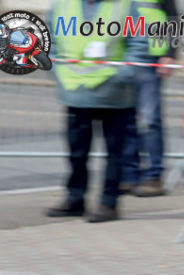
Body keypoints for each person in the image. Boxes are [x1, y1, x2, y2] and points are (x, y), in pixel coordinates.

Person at [45, 0, 148, 222]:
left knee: (115, 153)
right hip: (75, 92)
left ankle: (108, 203)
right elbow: (49, 42)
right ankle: (75, 199)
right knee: (77, 153)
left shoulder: (124, 6)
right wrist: (58, 74)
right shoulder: (63, 5)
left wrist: (123, 76)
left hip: (115, 95)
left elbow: (139, 44)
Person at [122, 0, 178, 197]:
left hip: (149, 57)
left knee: (149, 120)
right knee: (125, 119)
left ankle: (153, 176)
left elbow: (172, 17)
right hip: (120, 56)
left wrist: (170, 53)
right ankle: (129, 175)